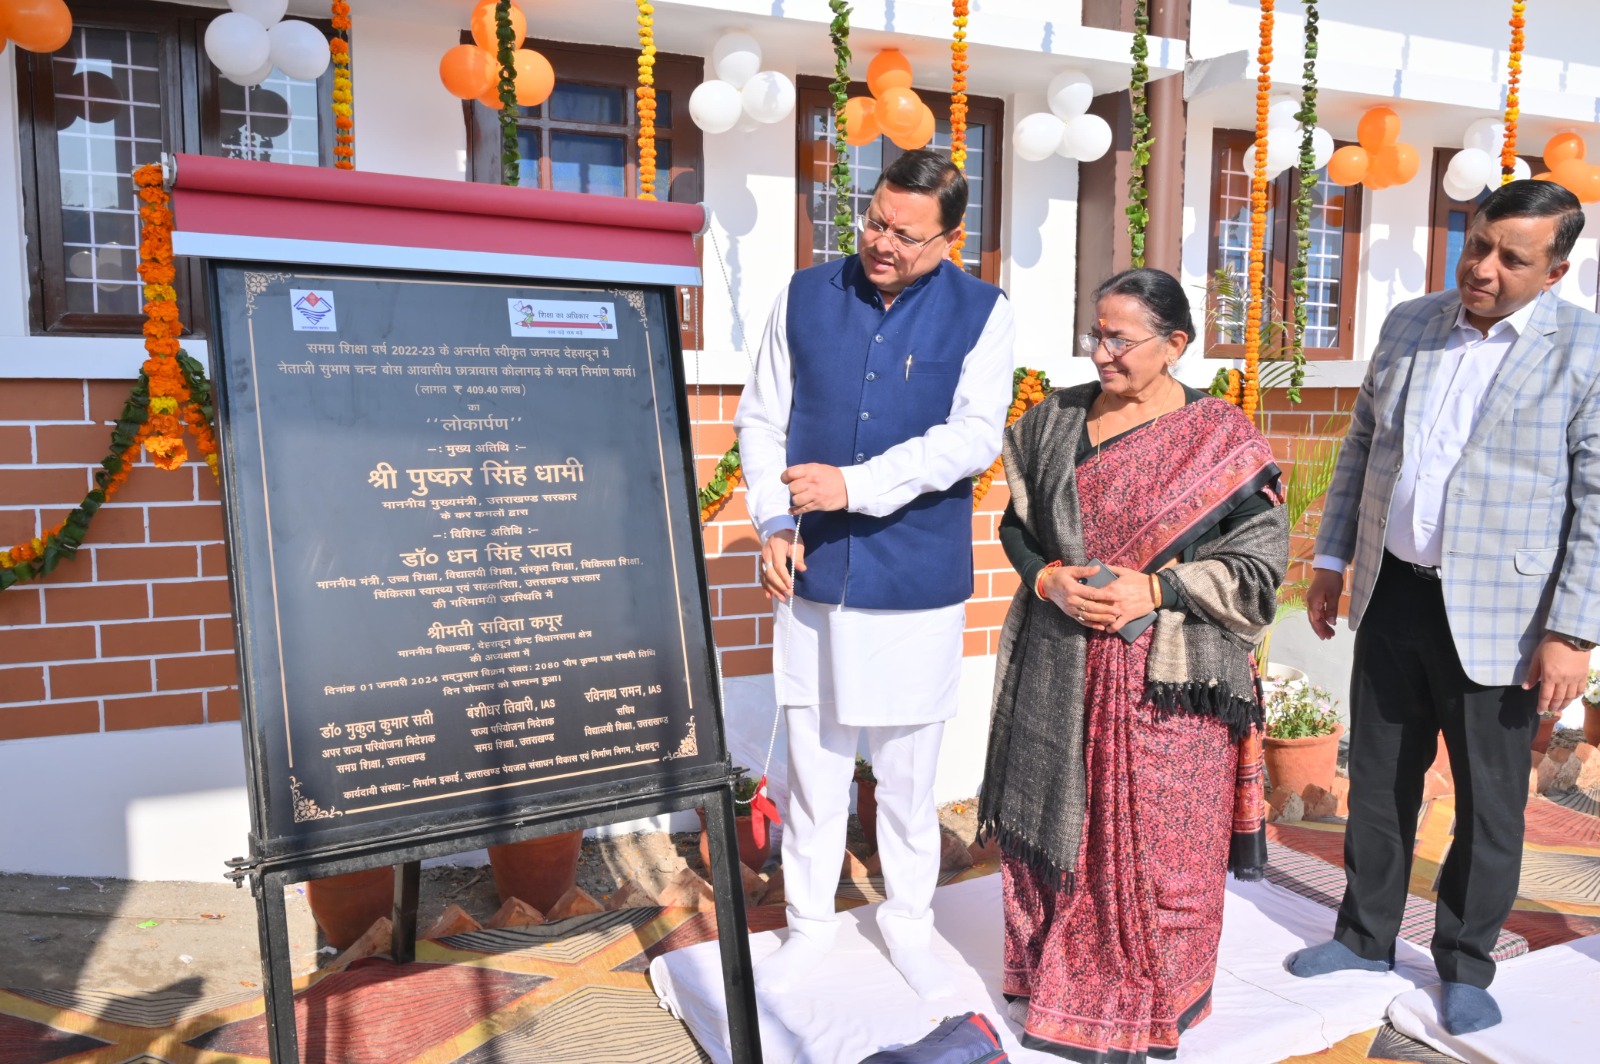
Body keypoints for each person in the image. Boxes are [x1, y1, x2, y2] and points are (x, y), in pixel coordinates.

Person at [1288, 179, 1600, 1035]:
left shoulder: (1585, 349)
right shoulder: (1410, 324)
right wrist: (1331, 558)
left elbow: (1596, 500)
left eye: (1512, 259)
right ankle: (1364, 937)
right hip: (1394, 591)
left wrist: (1572, 632)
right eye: (1478, 245)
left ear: (1556, 271)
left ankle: (1466, 961)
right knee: (1377, 781)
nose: (1483, 268)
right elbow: (1362, 446)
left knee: (1490, 802)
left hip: (1508, 619)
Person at [978, 268, 1288, 1062]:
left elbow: (1258, 569)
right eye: (1097, 335)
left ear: (1174, 344)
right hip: (1059, 664)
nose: (1102, 353)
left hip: (1169, 679)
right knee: (1061, 824)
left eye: (1120, 339)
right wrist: (1046, 578)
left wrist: (1156, 587)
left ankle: (1158, 993)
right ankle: (1057, 980)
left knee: (1161, 846)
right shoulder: (1054, 422)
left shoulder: (1218, 437)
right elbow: (1018, 527)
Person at [734, 149, 1015, 999]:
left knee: (906, 779)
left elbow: (973, 437)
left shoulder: (983, 313)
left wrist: (854, 486)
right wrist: (773, 521)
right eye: (874, 221)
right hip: (812, 573)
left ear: (950, 239)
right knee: (814, 770)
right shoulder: (804, 294)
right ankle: (809, 924)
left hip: (913, 582)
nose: (881, 242)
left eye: (905, 234)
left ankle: (910, 927)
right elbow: (761, 420)